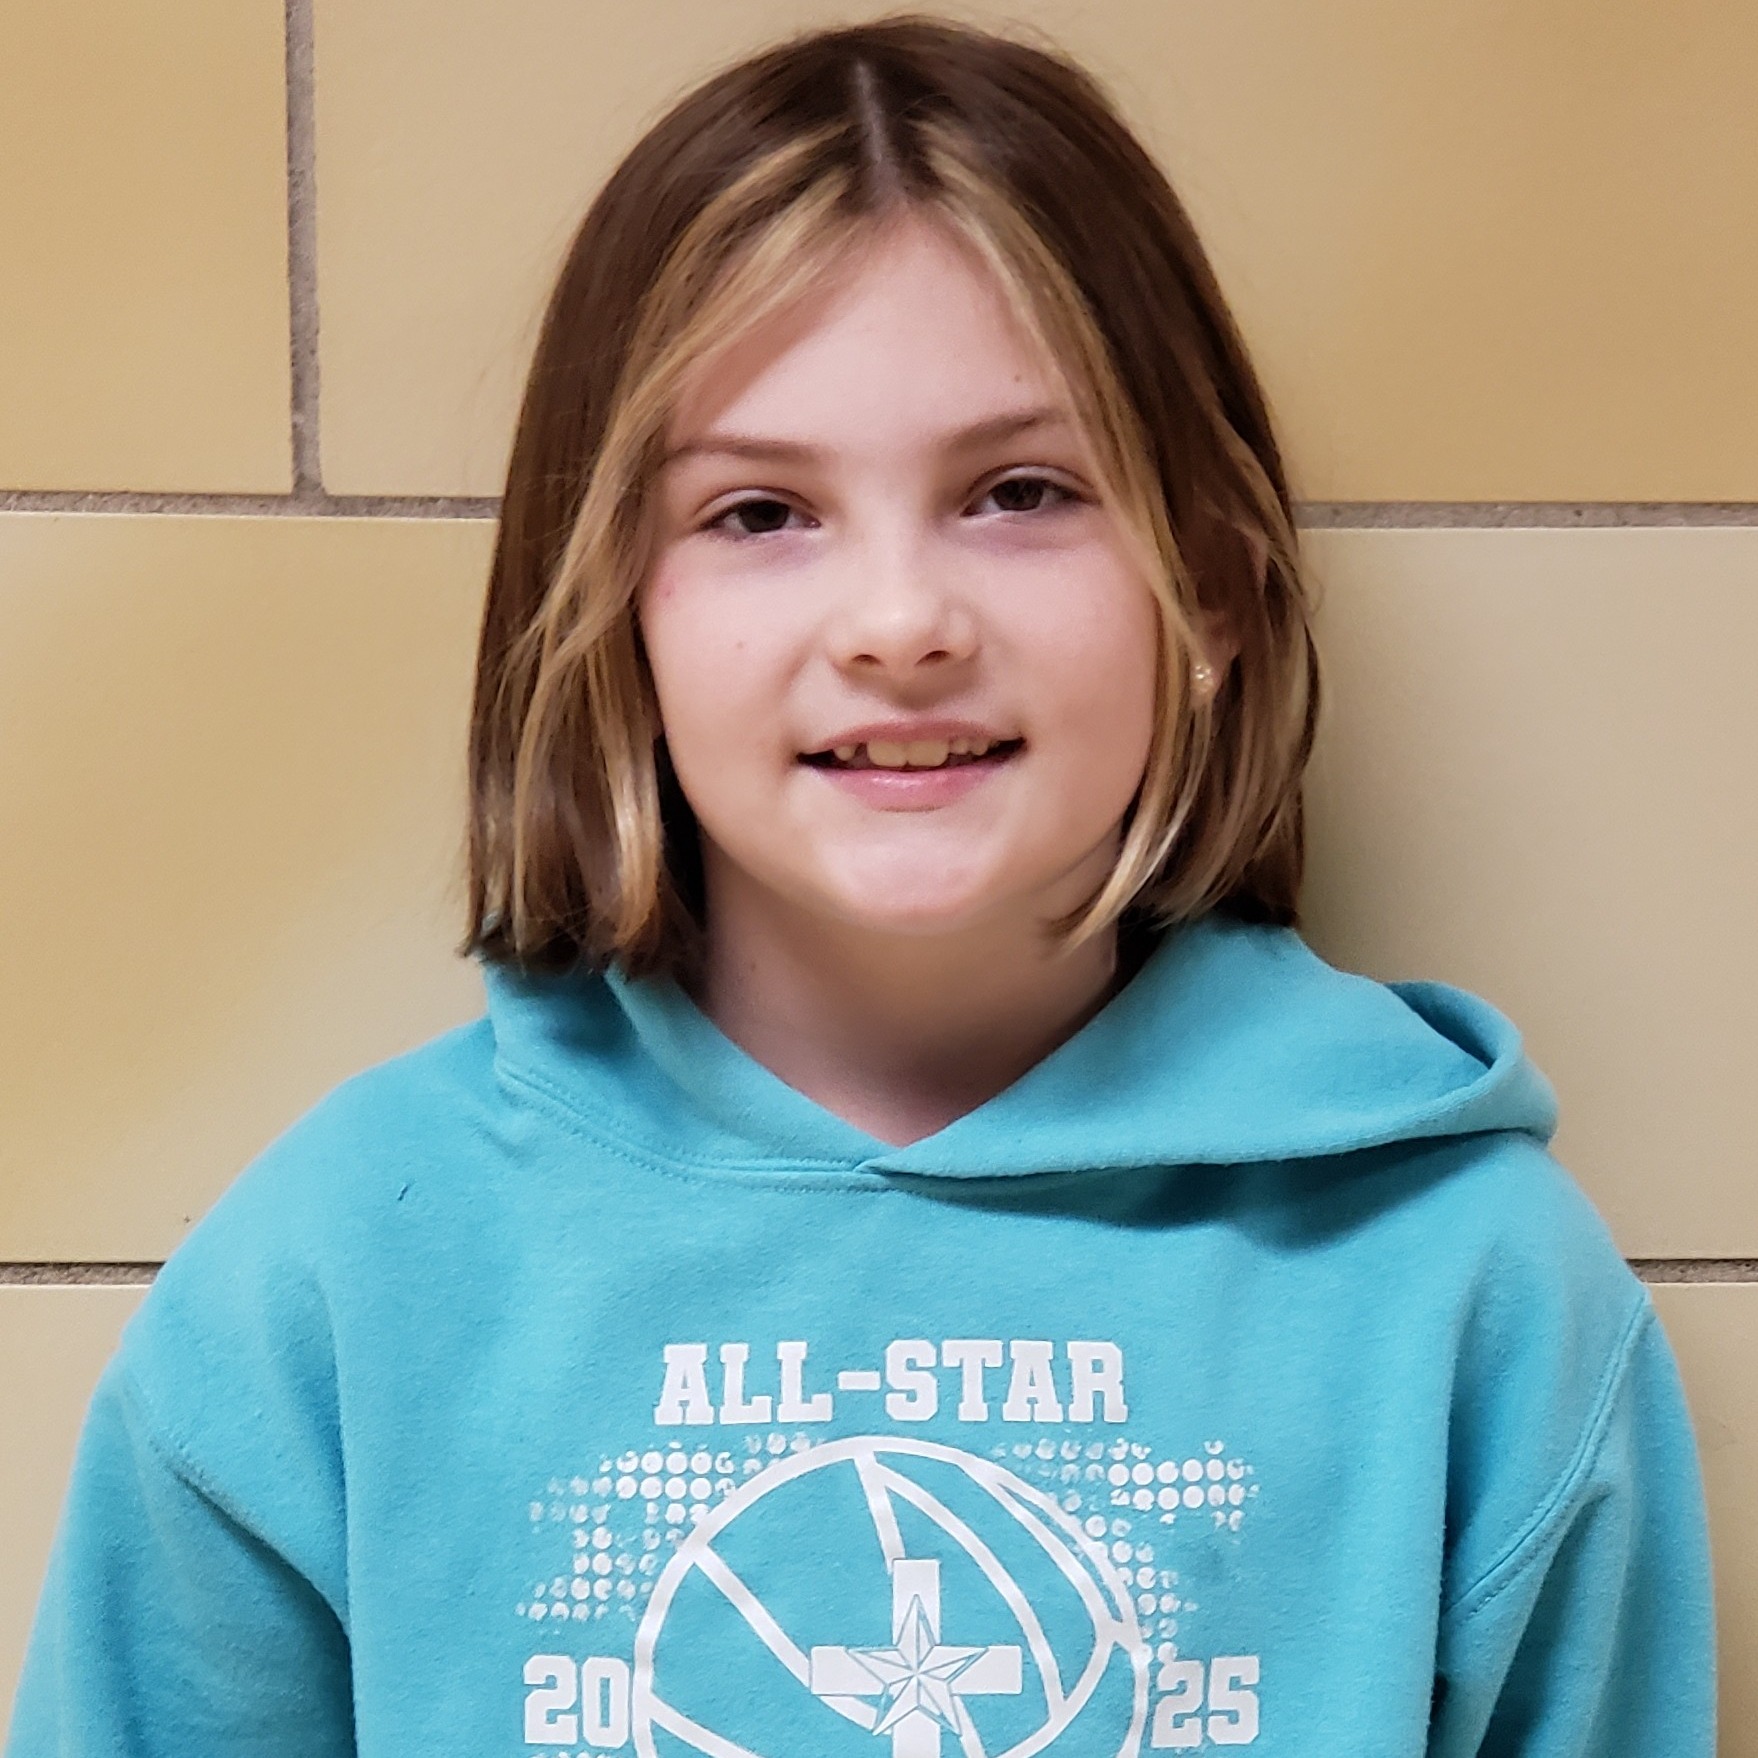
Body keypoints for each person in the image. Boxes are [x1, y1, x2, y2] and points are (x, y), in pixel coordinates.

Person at [6, 16, 1713, 1757]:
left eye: (1019, 491)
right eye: (758, 512)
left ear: (1204, 587)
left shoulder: (1470, 1292)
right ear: (608, 604)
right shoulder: (327, 1286)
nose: (900, 623)